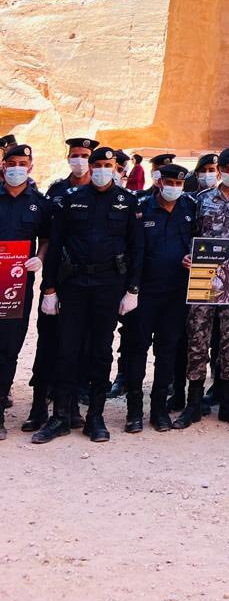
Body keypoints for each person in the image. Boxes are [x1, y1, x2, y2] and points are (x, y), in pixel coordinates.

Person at [32, 146, 144, 444]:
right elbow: (56, 245)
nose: (102, 170)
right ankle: (60, 416)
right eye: (98, 165)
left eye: (108, 166)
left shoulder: (127, 201)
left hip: (109, 285)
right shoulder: (72, 199)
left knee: (100, 352)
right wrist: (49, 288)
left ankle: (95, 416)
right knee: (67, 349)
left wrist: (132, 289)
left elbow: (137, 248)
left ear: (116, 168)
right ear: (91, 168)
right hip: (75, 284)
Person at [174, 145, 229, 430]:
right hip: (203, 278)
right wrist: (187, 255)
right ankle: (194, 402)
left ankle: (228, 402)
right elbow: (191, 234)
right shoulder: (202, 199)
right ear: (219, 170)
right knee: (198, 337)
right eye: (226, 169)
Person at [25, 135, 99, 433]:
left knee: (81, 344)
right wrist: (47, 281)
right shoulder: (56, 190)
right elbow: (47, 235)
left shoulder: (104, 192)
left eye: (84, 156)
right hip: (57, 277)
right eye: (75, 155)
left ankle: (70, 405)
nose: (79, 160)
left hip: (87, 280)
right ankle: (38, 406)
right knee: (48, 341)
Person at [123, 162, 194, 433]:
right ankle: (134, 410)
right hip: (144, 293)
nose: (174, 188)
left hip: (176, 293)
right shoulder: (141, 207)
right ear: (158, 182)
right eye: (169, 183)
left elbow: (199, 243)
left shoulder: (190, 208)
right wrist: (130, 290)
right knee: (136, 349)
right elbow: (132, 249)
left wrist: (194, 258)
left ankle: (159, 409)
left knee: (167, 350)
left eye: (179, 184)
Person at [0, 144, 50, 441]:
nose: (17, 168)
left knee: (8, 348)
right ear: (3, 165)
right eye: (12, 163)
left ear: (30, 167)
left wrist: (39, 258)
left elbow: (46, 238)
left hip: (16, 287)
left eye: (23, 163)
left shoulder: (39, 203)